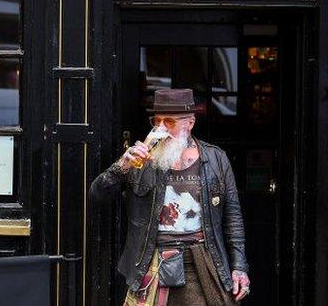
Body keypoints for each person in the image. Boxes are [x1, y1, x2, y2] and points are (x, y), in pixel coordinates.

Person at [90, 88, 250, 305]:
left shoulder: (216, 159)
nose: (161, 129)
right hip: (152, 261)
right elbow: (97, 195)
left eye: (169, 122)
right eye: (157, 121)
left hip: (202, 262)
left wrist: (239, 267)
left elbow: (233, 218)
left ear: (190, 123)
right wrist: (122, 165)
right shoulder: (141, 160)